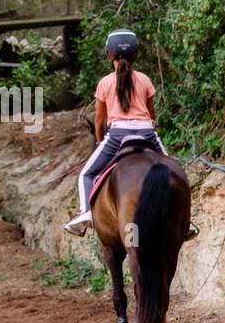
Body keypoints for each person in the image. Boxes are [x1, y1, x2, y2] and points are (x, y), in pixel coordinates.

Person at [63, 29, 197, 239]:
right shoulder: (144, 79)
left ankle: (85, 213)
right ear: (135, 55)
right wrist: (146, 127)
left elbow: (99, 119)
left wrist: (100, 141)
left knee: (86, 174)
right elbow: (152, 115)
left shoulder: (105, 82)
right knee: (176, 171)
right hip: (147, 132)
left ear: (109, 54)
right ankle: (186, 222)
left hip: (117, 135)